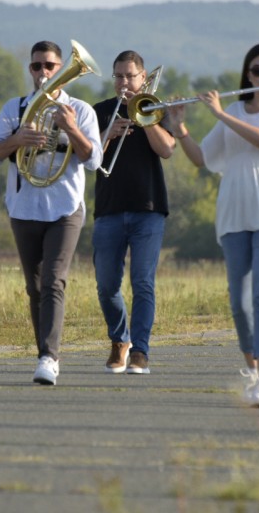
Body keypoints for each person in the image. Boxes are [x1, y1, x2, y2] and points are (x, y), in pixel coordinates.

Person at [168, 44, 259, 408]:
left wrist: (218, 114)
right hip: (234, 212)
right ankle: (253, 369)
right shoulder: (233, 109)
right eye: (257, 70)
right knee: (239, 303)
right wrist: (180, 128)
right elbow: (201, 158)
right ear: (248, 74)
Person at [0, 40, 102, 386]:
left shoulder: (81, 110)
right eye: (37, 67)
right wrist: (18, 139)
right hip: (23, 207)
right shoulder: (15, 108)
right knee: (34, 287)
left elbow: (94, 160)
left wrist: (71, 128)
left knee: (53, 280)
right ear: (30, 70)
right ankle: (44, 353)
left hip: (65, 208)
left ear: (63, 68)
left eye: (50, 66)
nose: (44, 73)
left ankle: (49, 357)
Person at [93, 50, 174, 375]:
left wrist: (145, 117)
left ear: (143, 79)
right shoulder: (99, 111)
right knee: (106, 285)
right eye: (119, 76)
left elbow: (167, 149)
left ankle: (140, 350)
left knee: (143, 282)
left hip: (148, 208)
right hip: (109, 208)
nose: (124, 82)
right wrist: (107, 135)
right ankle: (119, 339)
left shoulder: (155, 109)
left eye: (130, 76)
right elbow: (88, 159)